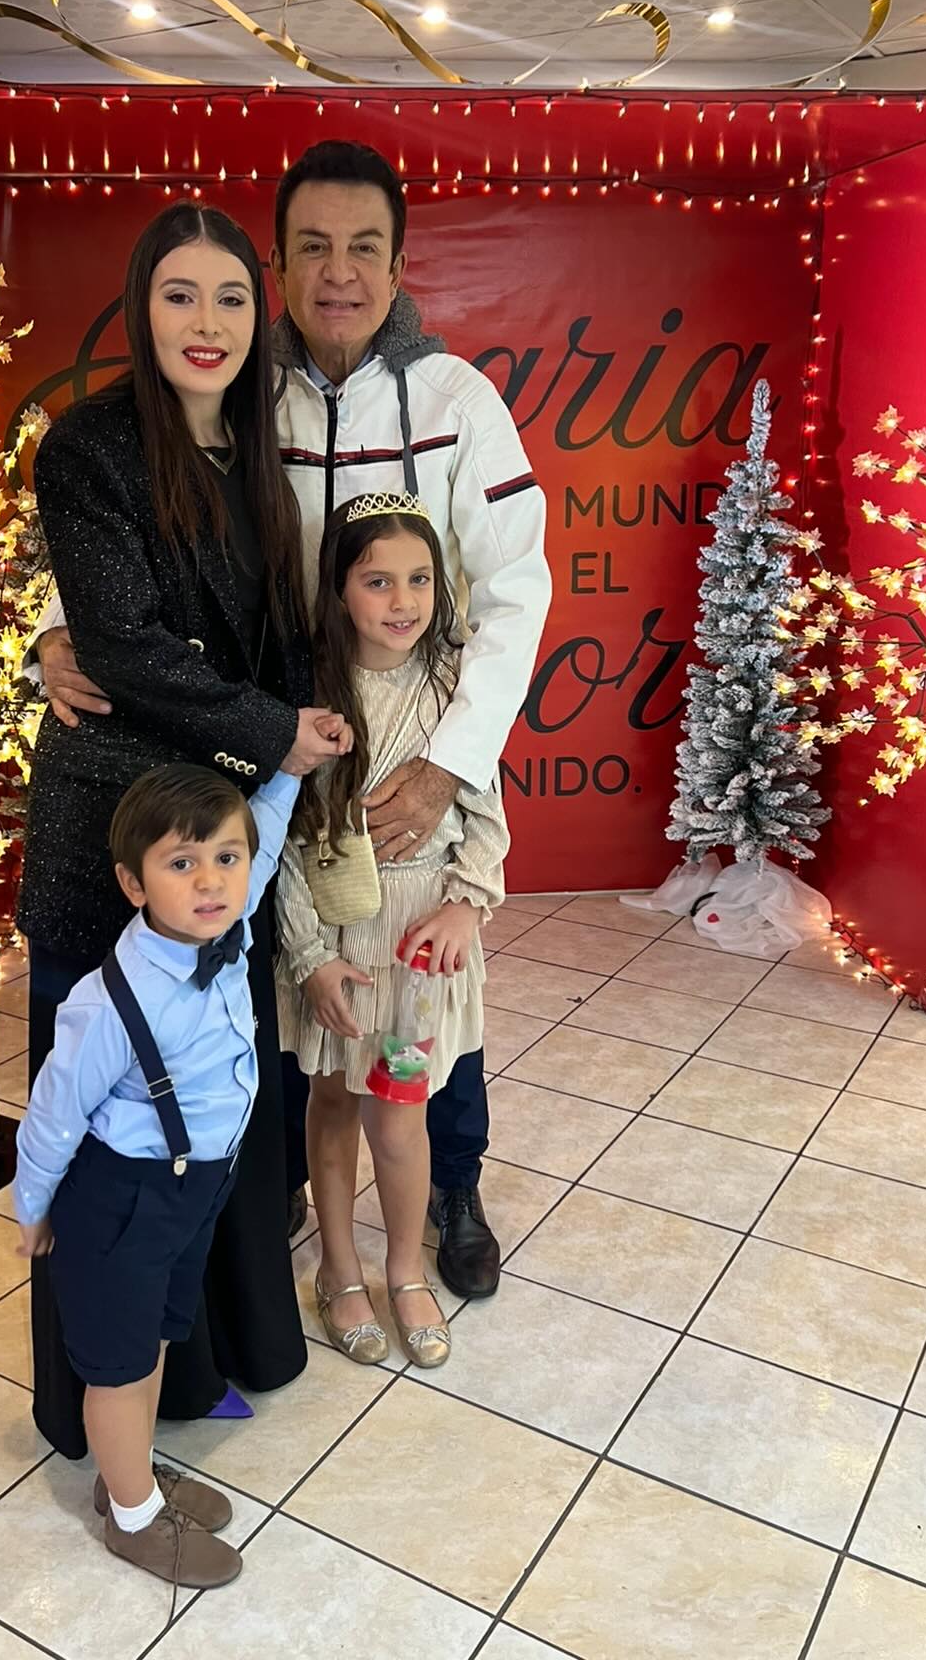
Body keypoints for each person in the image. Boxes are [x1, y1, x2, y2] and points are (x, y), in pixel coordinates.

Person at [34, 140, 550, 1299]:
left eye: (364, 248)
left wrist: (450, 765)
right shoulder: (233, 390)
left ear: (399, 264)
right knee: (294, 988)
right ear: (277, 264)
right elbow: (129, 543)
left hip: (409, 746)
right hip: (262, 754)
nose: (339, 272)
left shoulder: (458, 401)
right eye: (312, 247)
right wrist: (51, 639)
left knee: (422, 984)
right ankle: (283, 1197)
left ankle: (453, 1185)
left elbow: (518, 593)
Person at [20, 201, 349, 1457]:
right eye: (178, 295)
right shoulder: (89, 446)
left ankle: (218, 1355)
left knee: (216, 1109)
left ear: (258, 313)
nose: (205, 323)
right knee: (116, 1128)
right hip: (118, 836)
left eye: (228, 298)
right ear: (139, 307)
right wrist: (273, 730)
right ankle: (101, 1399)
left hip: (226, 843)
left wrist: (297, 737)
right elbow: (119, 642)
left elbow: (278, 629)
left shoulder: (262, 444)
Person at [15, 760, 299, 1589]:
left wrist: (290, 770)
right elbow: (54, 1112)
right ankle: (133, 1519)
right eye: (182, 863)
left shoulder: (229, 930)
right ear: (133, 884)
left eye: (225, 858)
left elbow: (265, 841)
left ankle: (129, 1471)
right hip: (122, 1201)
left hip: (192, 1191)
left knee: (160, 1338)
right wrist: (32, 1206)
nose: (211, 881)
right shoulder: (111, 1001)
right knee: (120, 1365)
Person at [277, 493, 508, 1370]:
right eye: (377, 581)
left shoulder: (454, 690)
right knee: (333, 1102)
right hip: (337, 945)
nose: (402, 601)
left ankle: (405, 1268)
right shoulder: (307, 695)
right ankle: (340, 1270)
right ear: (340, 589)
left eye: (419, 580)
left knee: (402, 1115)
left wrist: (465, 904)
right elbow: (283, 838)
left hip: (415, 949)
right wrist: (309, 956)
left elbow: (486, 813)